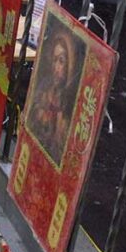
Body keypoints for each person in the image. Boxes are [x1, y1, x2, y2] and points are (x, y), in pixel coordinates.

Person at [26, 24, 82, 165]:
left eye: (61, 61)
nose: (56, 67)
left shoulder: (69, 104)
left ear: (69, 65)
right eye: (54, 60)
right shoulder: (44, 90)